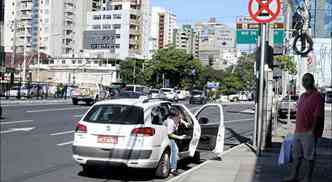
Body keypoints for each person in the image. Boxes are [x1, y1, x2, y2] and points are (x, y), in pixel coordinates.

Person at [283, 73, 324, 182]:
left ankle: (307, 178)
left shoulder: (318, 96)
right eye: (303, 80)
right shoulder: (302, 96)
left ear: (312, 81)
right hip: (298, 131)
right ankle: (294, 176)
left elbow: (317, 115)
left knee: (309, 157)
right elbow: (299, 112)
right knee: (296, 155)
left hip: (308, 132)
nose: (304, 82)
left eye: (307, 79)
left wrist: (312, 131)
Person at [164, 107, 189, 176]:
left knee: (175, 151)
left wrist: (185, 123)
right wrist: (180, 137)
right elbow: (169, 133)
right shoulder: (171, 122)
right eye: (178, 115)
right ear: (174, 116)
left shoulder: (173, 118)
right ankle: (172, 169)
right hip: (168, 138)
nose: (179, 116)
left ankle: (172, 168)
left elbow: (180, 119)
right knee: (174, 151)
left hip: (169, 137)